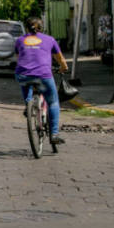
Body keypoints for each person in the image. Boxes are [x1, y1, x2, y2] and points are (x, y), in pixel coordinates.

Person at [15, 16, 69, 145]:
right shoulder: (50, 40)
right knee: (53, 102)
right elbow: (60, 59)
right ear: (42, 27)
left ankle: (28, 105)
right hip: (43, 74)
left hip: (22, 74)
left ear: (26, 28)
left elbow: (19, 57)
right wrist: (64, 68)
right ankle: (54, 134)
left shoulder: (20, 40)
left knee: (27, 85)